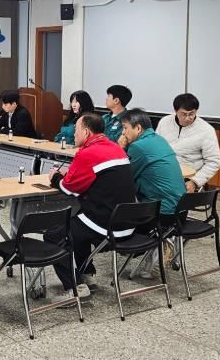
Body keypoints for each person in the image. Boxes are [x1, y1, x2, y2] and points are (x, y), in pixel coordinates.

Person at [43, 112, 136, 303]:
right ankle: (87, 274)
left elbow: (68, 188)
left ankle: (75, 288)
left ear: (86, 132)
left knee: (54, 235)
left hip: (106, 225)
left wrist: (56, 177)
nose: (73, 134)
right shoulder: (115, 147)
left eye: (76, 130)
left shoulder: (88, 153)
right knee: (77, 224)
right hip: (127, 222)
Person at [119, 109, 186, 279]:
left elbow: (123, 177)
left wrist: (121, 148)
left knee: (115, 218)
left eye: (125, 128)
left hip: (161, 213)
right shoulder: (159, 140)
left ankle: (159, 243)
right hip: (181, 211)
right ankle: (160, 245)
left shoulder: (138, 147)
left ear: (138, 128)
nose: (123, 133)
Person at [155, 93, 220, 193]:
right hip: (164, 171)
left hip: (188, 177)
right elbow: (155, 148)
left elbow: (214, 161)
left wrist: (195, 182)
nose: (187, 118)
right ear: (175, 111)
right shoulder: (164, 122)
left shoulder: (206, 130)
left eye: (191, 114)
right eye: (183, 114)